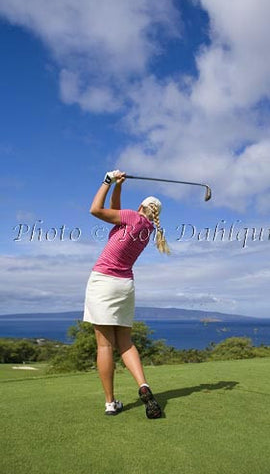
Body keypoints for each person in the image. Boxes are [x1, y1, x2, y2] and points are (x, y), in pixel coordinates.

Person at [83, 169, 170, 418]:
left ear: (141, 206)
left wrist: (107, 180)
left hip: (103, 282)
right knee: (125, 342)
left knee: (104, 345)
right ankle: (144, 386)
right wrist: (118, 187)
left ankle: (110, 403)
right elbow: (115, 211)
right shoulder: (147, 229)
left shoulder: (132, 218)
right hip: (125, 286)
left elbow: (96, 210)